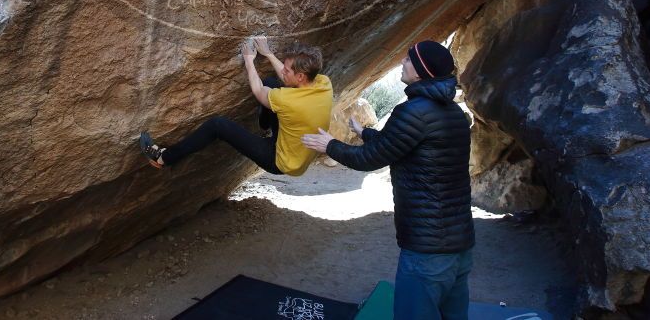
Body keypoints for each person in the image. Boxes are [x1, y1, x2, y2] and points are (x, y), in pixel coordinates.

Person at [302, 40, 474, 320]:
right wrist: (364, 132)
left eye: (408, 60)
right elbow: (400, 143)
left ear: (420, 72)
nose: (402, 64)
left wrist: (330, 145)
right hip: (459, 243)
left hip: (426, 247)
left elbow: (370, 159)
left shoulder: (413, 112)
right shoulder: (452, 114)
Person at [138, 37, 333, 177]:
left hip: (281, 161)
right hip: (296, 148)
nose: (283, 69)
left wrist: (249, 60)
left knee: (217, 125)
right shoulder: (323, 83)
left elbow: (258, 90)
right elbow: (284, 79)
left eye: (287, 69)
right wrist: (268, 53)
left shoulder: (289, 101)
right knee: (273, 83)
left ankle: (163, 158)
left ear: (300, 77)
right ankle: (265, 128)